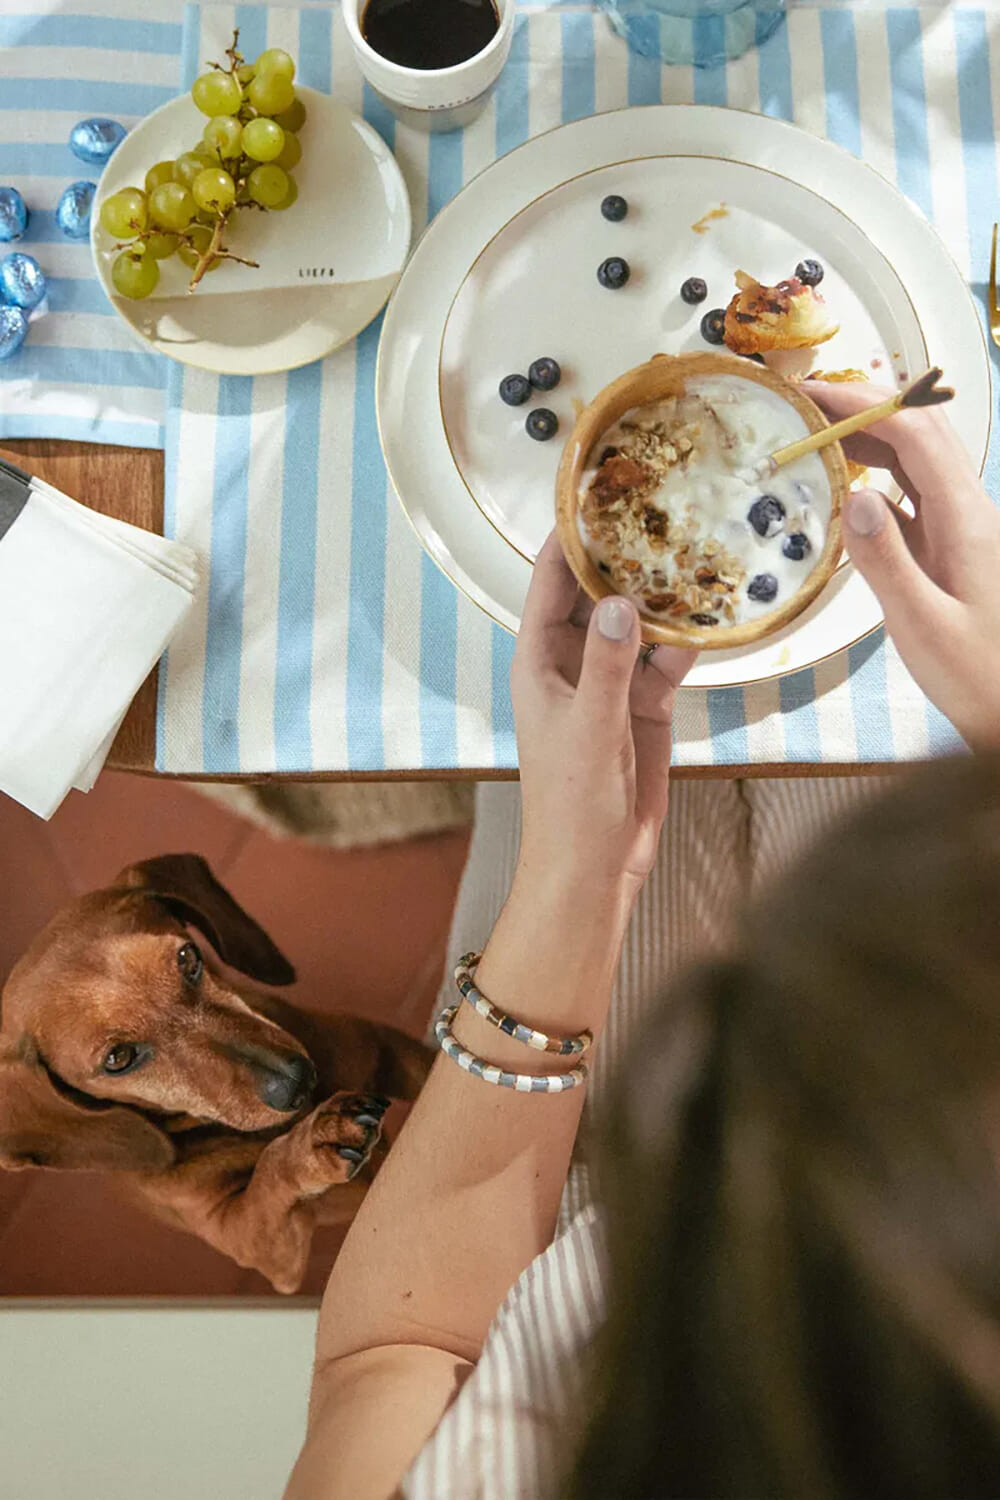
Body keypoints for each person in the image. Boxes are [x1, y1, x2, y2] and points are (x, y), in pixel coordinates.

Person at [283, 381, 1000, 1500]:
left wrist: (569, 877)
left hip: (555, 1172)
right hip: (940, 1025)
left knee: (559, 729)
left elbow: (398, 1355)